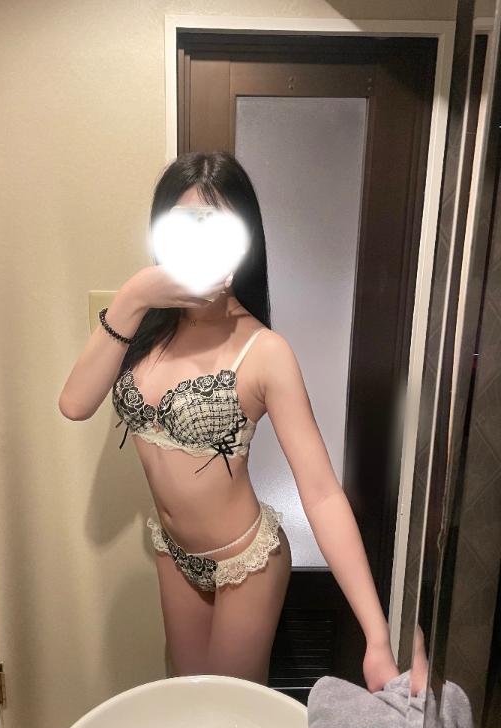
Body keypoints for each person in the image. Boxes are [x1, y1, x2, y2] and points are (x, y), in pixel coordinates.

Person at [59, 151, 399, 689]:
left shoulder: (265, 352)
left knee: (229, 709)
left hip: (247, 560)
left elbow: (321, 494)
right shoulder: (141, 325)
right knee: (190, 699)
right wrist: (135, 294)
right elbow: (75, 404)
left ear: (243, 241)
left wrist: (376, 637)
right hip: (174, 552)